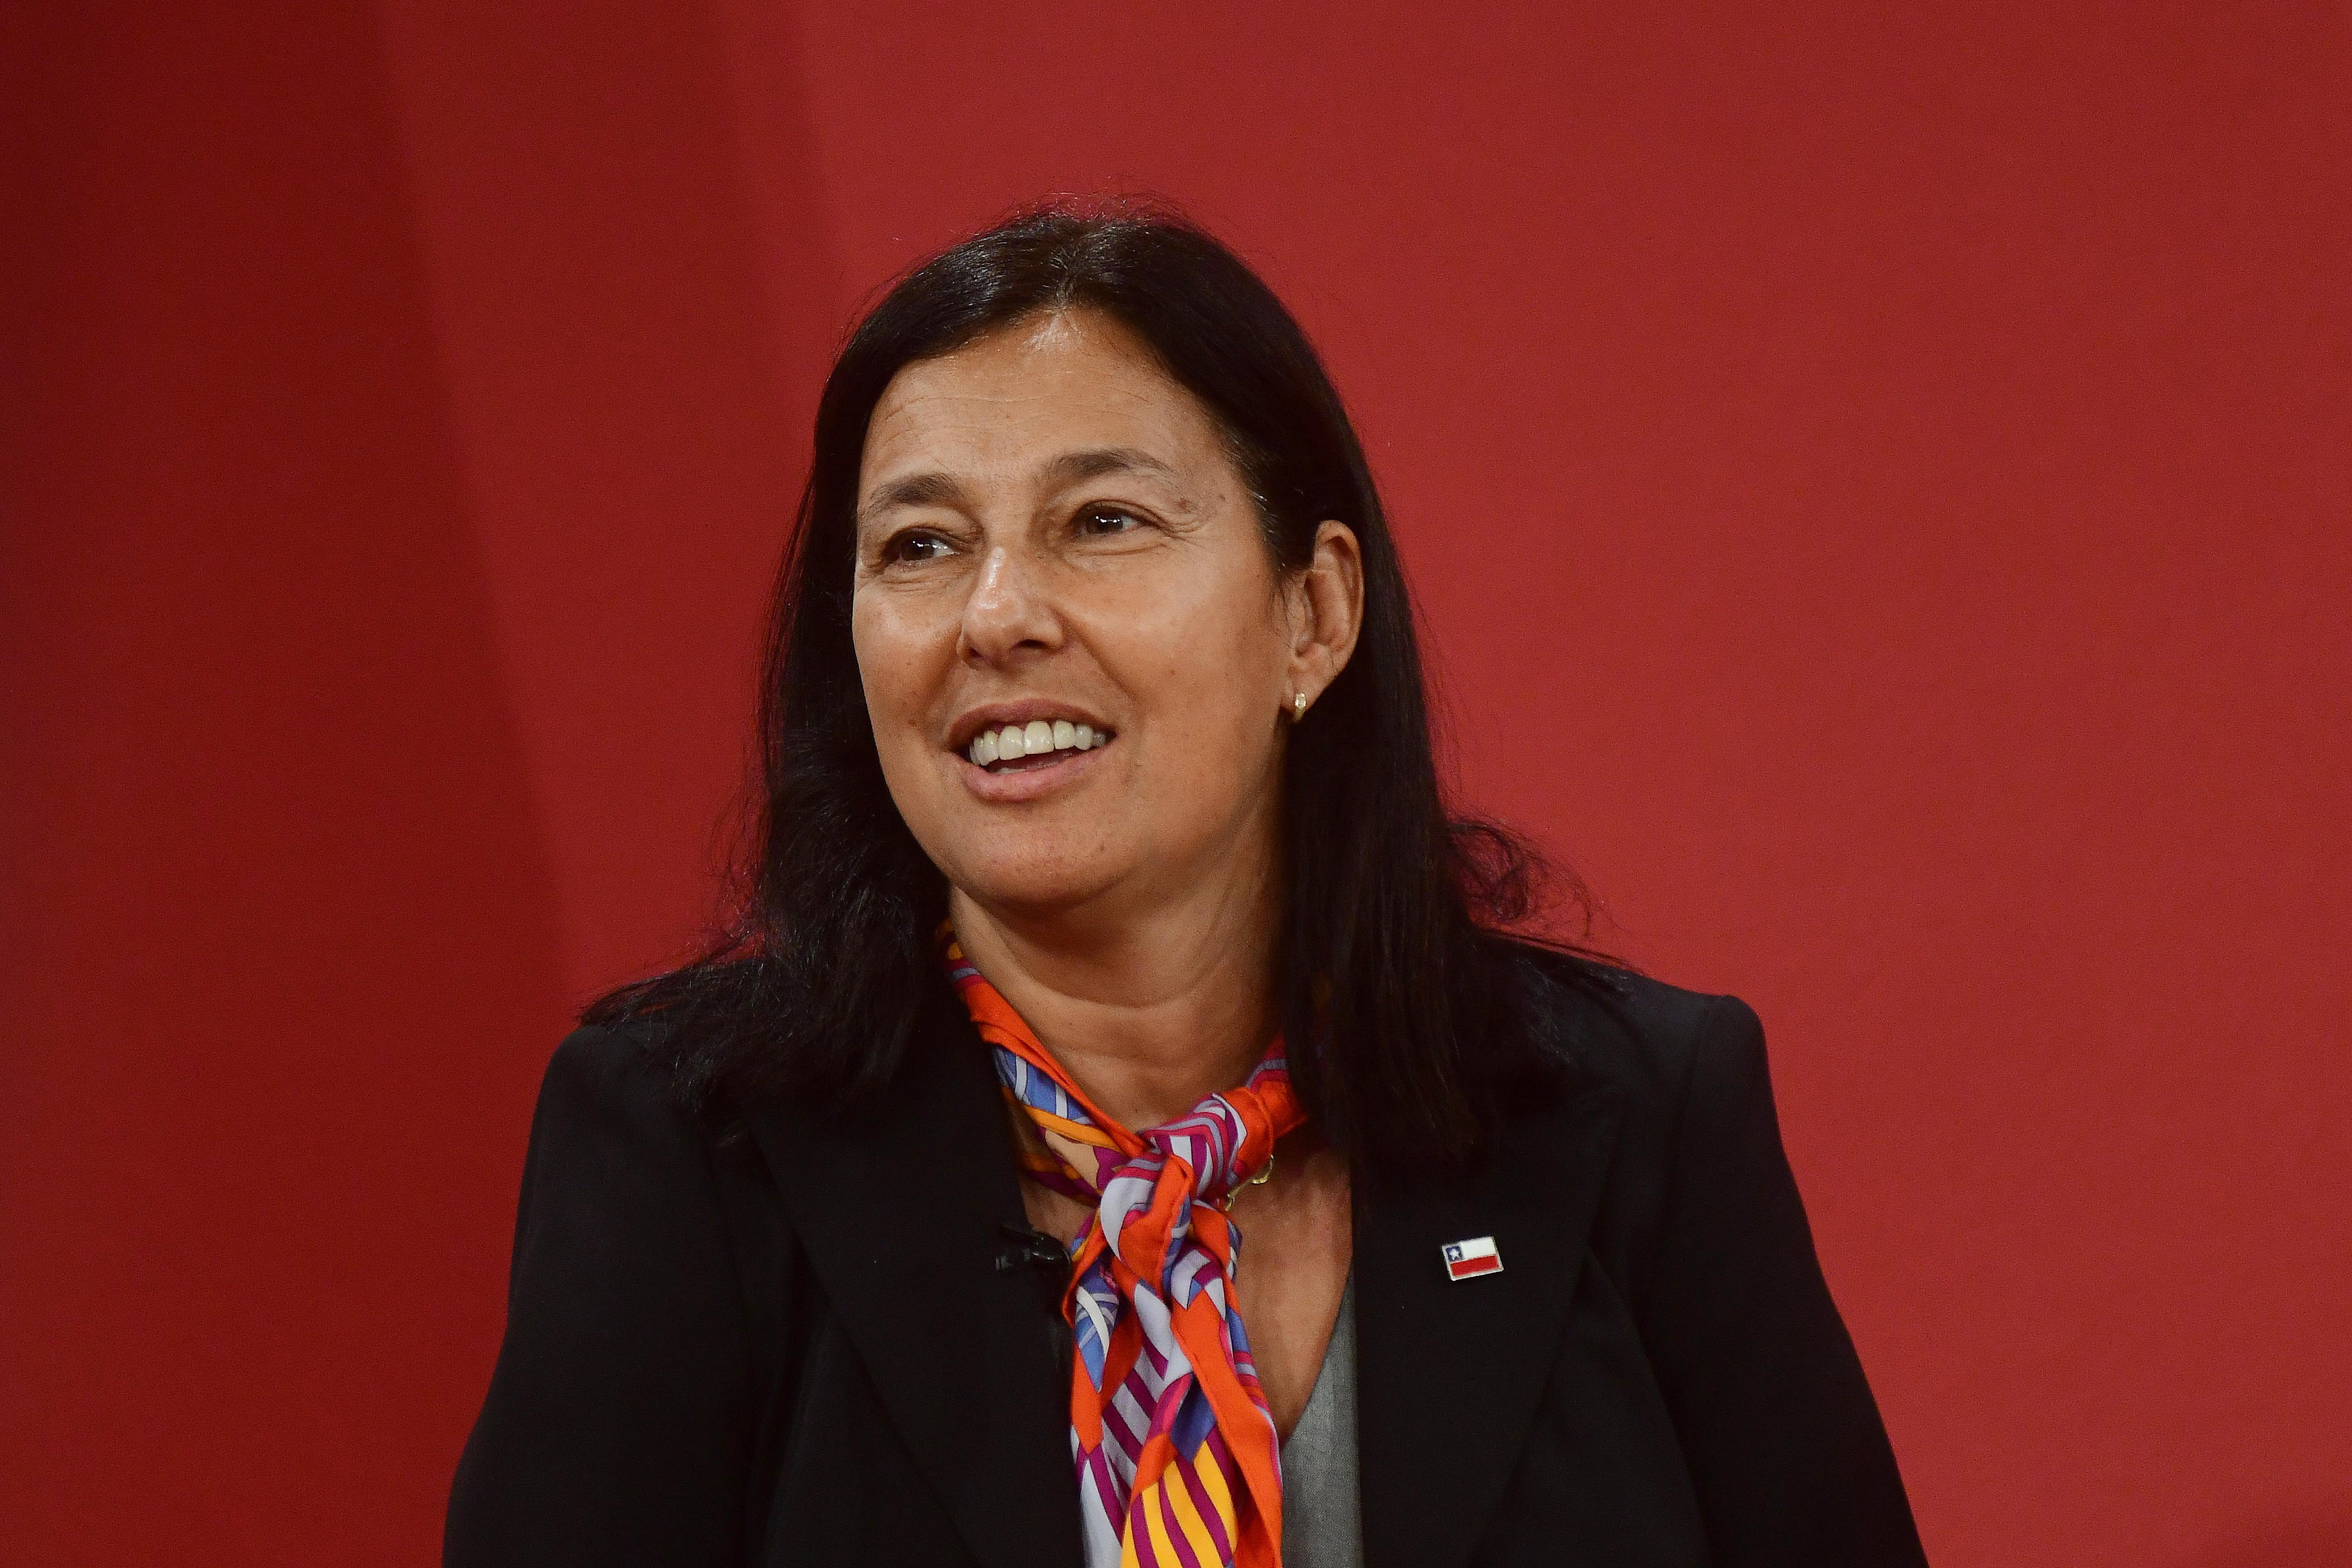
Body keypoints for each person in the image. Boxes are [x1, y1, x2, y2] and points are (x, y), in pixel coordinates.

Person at [444, 202, 1928, 1568]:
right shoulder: (689, 1151)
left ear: (1314, 615)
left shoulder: (1636, 1117)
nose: (996, 616)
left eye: (1102, 521)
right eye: (920, 545)